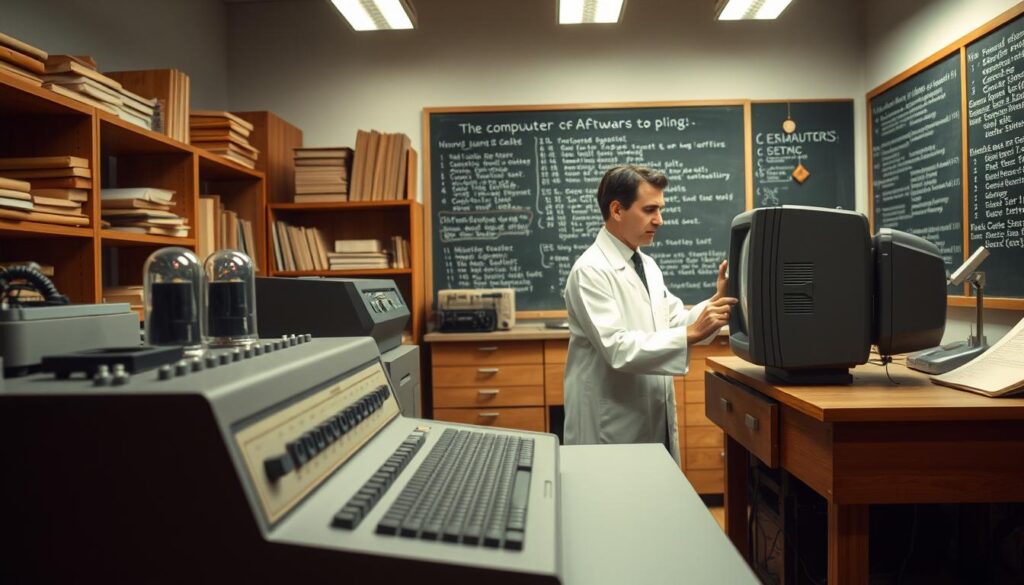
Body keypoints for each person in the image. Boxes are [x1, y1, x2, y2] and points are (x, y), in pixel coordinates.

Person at [562, 164, 737, 463]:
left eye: (660, 209)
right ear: (617, 210)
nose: (660, 219)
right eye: (650, 210)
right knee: (613, 505)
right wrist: (690, 333)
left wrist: (716, 300)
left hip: (649, 413)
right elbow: (617, 348)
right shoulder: (590, 270)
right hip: (610, 425)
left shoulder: (647, 266)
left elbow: (673, 323)